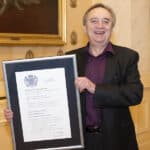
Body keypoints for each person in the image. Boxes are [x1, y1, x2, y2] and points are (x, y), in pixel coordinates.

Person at [4, 3, 143, 150]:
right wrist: (19, 113)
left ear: (112, 27)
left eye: (106, 21)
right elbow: (54, 98)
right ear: (84, 27)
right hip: (80, 140)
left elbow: (135, 94)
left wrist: (94, 88)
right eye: (94, 21)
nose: (100, 26)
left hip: (116, 140)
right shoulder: (70, 58)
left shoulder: (127, 57)